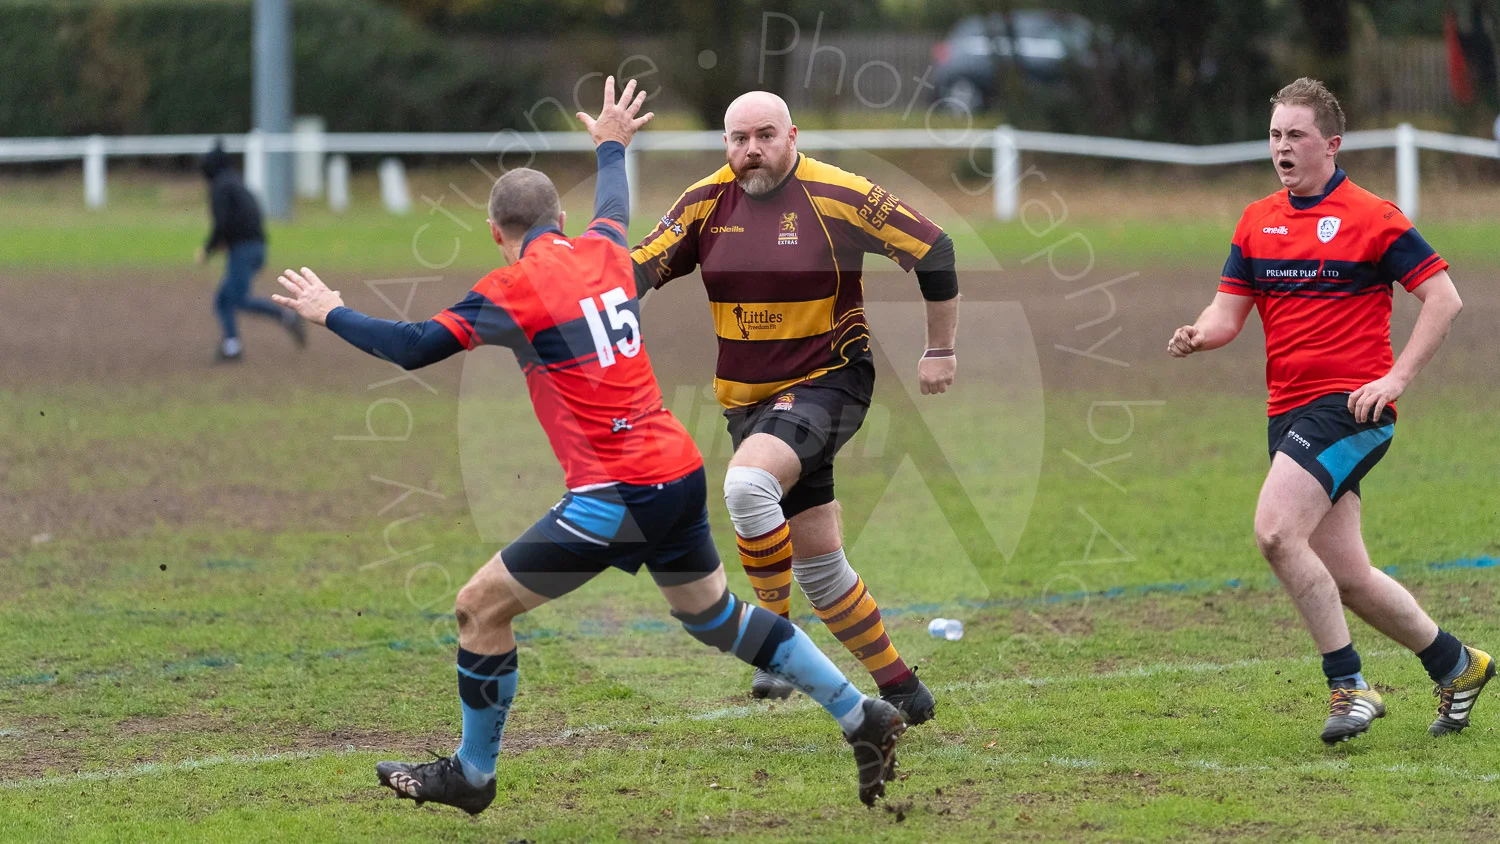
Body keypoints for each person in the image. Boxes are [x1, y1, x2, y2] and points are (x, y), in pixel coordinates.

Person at [269, 78, 907, 813]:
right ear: (562, 220)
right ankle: (862, 715)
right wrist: (610, 144)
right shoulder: (604, 249)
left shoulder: (510, 288)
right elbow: (614, 205)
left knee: (479, 609)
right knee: (714, 617)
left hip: (617, 492)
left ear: (495, 232)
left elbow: (415, 346)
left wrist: (332, 310)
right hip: (677, 471)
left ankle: (472, 775)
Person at [1168, 77, 1492, 744]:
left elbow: (1444, 298)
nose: (1282, 147)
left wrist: (1396, 378)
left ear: (1331, 144)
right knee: (1348, 576)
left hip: (1350, 409)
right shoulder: (1257, 221)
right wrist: (1199, 333)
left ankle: (1350, 686)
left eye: (1296, 135)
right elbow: (1227, 314)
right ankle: (1457, 665)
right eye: (1275, 135)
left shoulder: (1373, 217)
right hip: (1286, 414)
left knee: (1275, 532)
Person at [631, 91, 958, 719]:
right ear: (725, 144)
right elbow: (637, 269)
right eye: (739, 139)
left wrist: (939, 350)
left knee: (747, 486)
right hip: (747, 404)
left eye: (765, 135)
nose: (751, 150)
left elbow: (933, 248)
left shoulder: (839, 194)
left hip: (830, 380)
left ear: (792, 136)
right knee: (820, 567)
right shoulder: (703, 202)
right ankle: (902, 690)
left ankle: (773, 644)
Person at [197, 141, 303, 362]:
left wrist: (208, 249)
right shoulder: (235, 181)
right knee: (225, 299)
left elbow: (221, 223)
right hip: (255, 247)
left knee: (235, 299)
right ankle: (232, 345)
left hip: (244, 250)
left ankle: (285, 317)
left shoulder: (221, 187)